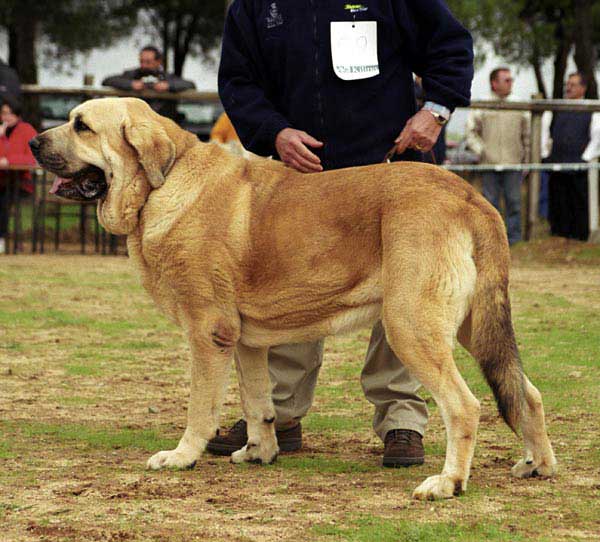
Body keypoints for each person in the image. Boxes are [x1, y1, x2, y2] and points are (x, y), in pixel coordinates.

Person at [211, 0, 474, 467]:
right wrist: (274, 132)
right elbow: (238, 81)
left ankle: (402, 420)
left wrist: (434, 112)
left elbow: (449, 46)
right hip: (299, 179)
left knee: (405, 298)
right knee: (288, 291)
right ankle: (278, 415)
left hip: (390, 171)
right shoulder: (253, 5)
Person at [465, 67, 530, 245]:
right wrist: (482, 151)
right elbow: (471, 132)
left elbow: (527, 136)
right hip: (489, 165)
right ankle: (491, 240)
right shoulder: (482, 105)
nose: (511, 83)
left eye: (511, 80)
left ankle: (514, 240)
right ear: (494, 83)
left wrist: (526, 160)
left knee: (514, 203)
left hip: (513, 164)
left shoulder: (520, 106)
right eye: (506, 80)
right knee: (489, 204)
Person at [542, 72, 600, 241]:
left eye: (573, 84)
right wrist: (547, 156)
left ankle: (579, 238)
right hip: (557, 164)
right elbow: (546, 134)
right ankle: (559, 236)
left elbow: (597, 136)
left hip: (579, 167)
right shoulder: (557, 108)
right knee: (558, 203)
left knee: (579, 203)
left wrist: (585, 158)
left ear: (583, 88)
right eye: (568, 84)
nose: (569, 87)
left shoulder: (592, 109)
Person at [102, 45, 196, 121]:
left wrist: (168, 86)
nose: (144, 65)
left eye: (148, 62)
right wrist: (131, 84)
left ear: (158, 62)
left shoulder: (168, 77)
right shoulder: (131, 75)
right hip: (134, 125)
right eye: (141, 61)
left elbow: (190, 84)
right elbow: (107, 81)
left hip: (162, 126)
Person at [0, 98, 38, 254]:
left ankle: (1, 239)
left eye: (9, 113)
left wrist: (9, 161)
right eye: (3, 113)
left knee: (3, 199)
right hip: (2, 181)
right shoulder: (1, 132)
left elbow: (33, 158)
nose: (6, 117)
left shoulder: (27, 130)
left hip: (20, 183)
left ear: (17, 114)